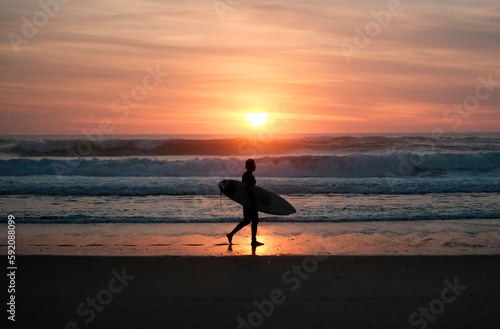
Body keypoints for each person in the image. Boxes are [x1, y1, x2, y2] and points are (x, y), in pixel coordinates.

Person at [227, 159, 264, 246]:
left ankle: (231, 234)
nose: (255, 166)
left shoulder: (246, 175)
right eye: (254, 165)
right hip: (249, 201)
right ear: (250, 166)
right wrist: (253, 203)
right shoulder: (249, 177)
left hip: (246, 201)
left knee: (247, 220)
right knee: (254, 219)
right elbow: (249, 190)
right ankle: (253, 241)